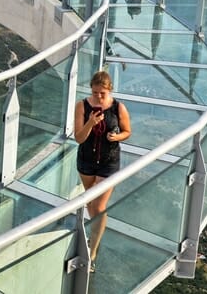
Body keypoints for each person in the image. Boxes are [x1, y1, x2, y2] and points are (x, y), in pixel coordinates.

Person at [72, 70, 131, 269]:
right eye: (96, 92)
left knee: (98, 206)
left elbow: (127, 131)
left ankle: (93, 249)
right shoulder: (82, 106)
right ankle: (93, 236)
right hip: (87, 161)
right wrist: (90, 122)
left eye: (102, 94)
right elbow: (79, 138)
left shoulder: (118, 108)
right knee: (90, 201)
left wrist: (117, 137)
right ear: (91, 89)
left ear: (109, 91)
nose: (98, 97)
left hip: (109, 162)